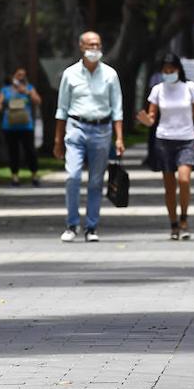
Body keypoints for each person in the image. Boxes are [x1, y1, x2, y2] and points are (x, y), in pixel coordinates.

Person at [54, 32, 125, 243]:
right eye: (90, 45)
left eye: (98, 44)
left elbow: (117, 109)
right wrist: (58, 141)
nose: (95, 48)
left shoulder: (110, 75)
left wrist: (119, 138)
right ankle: (71, 224)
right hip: (76, 127)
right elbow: (61, 109)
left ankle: (91, 226)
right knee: (73, 177)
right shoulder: (70, 74)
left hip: (102, 130)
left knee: (95, 181)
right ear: (81, 47)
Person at [137, 54, 194, 240]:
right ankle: (173, 224)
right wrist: (147, 121)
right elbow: (152, 116)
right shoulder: (157, 90)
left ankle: (184, 219)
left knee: (184, 180)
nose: (169, 73)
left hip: (186, 139)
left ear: (179, 69)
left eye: (172, 69)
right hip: (164, 140)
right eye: (165, 70)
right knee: (169, 187)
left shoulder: (190, 88)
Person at [0, 67, 42, 186]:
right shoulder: (5, 90)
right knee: (13, 151)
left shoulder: (29, 88)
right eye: (19, 75)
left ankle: (34, 175)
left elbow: (38, 101)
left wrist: (26, 92)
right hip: (10, 125)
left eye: (23, 75)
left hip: (26, 125)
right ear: (13, 76)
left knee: (30, 151)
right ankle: (14, 176)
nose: (21, 77)